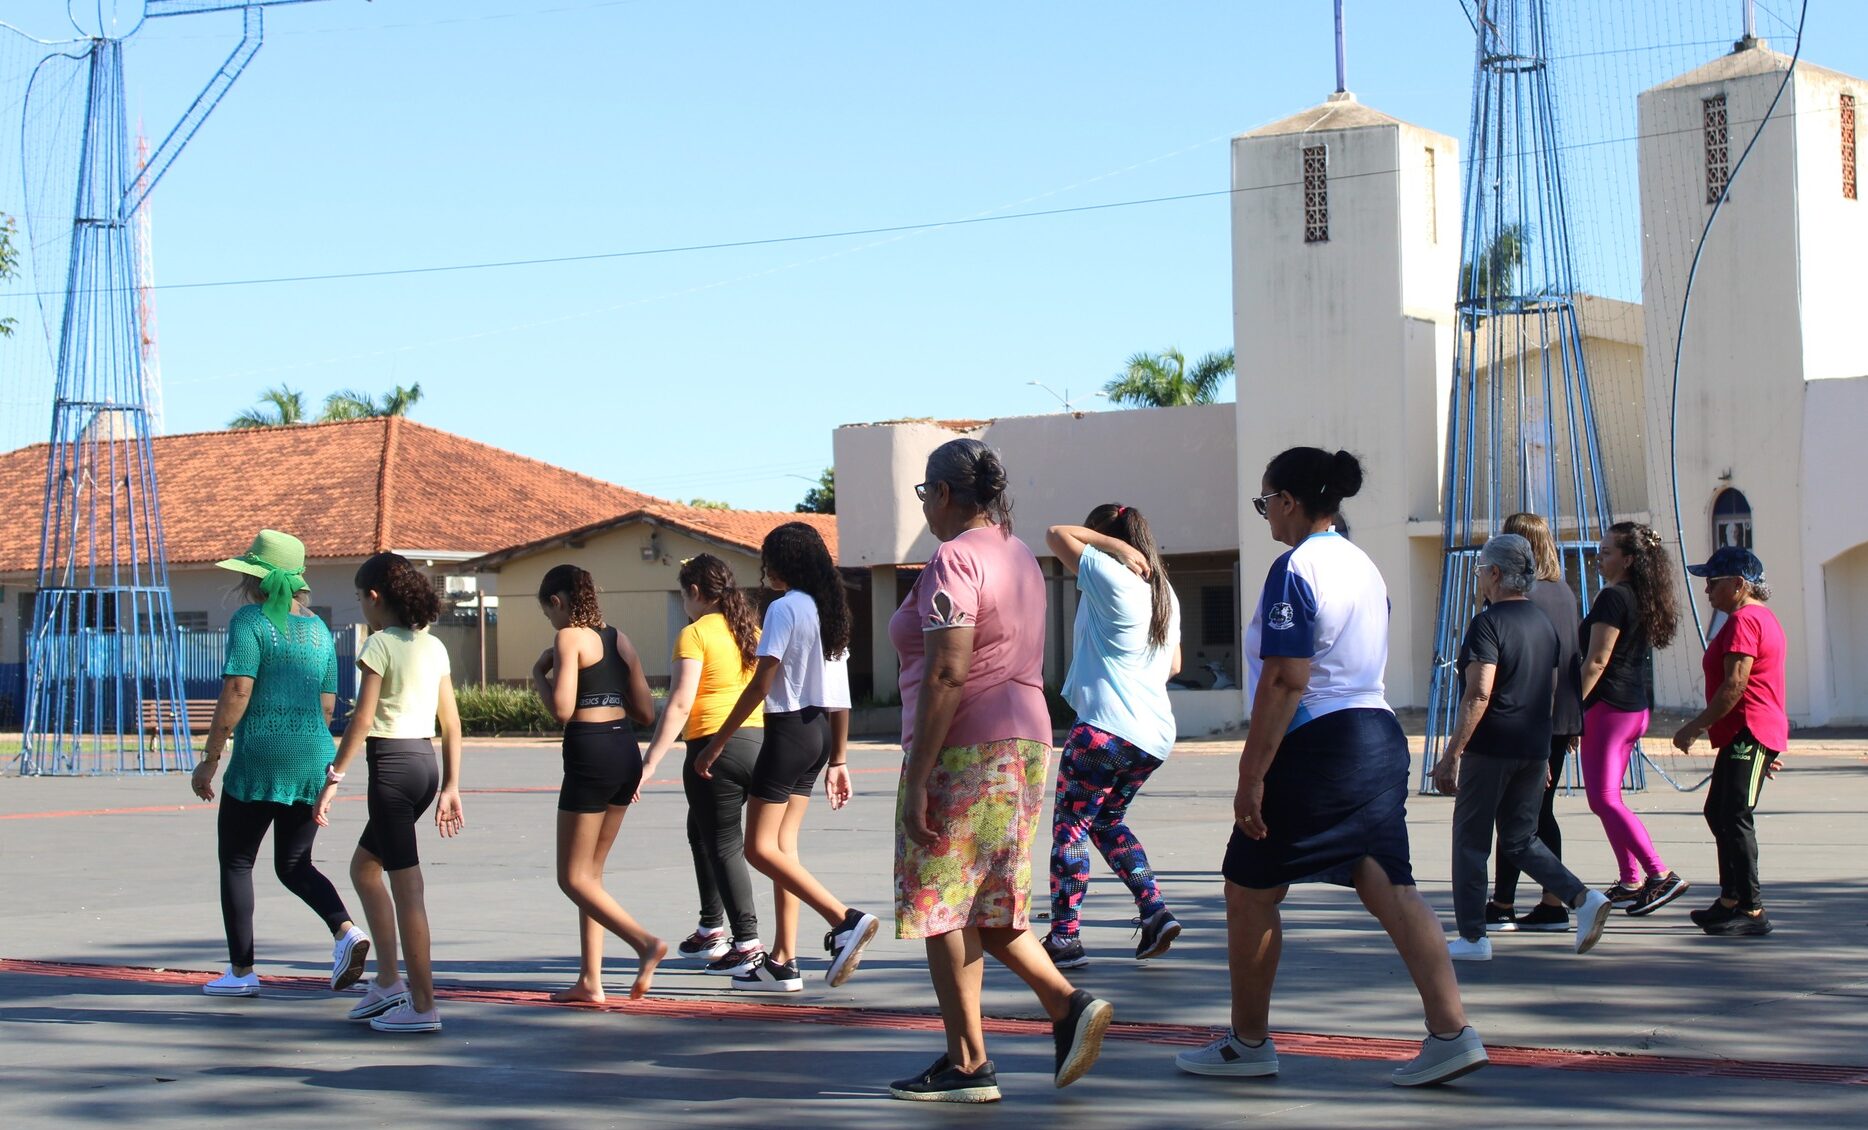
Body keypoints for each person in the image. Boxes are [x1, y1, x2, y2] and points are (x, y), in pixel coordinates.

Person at [1175, 447, 1486, 1088]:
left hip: (1322, 742)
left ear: (1289, 502)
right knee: (1388, 882)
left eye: (1266, 501)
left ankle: (1248, 1043)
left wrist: (1251, 776)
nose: (1265, 513)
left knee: (1249, 888)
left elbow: (1286, 679)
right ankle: (1452, 1032)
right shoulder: (1363, 565)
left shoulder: (1296, 567)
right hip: (1377, 734)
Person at [889, 439, 1112, 1104]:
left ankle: (970, 1062)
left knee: (941, 905)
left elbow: (947, 669)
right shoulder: (1017, 555)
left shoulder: (955, 558)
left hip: (964, 746)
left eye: (925, 493)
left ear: (944, 493)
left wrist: (918, 777)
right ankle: (1063, 1007)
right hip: (1023, 738)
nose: (924, 506)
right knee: (986, 903)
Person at [696, 522, 876, 993]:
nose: (765, 570)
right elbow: (840, 694)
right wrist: (839, 759)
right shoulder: (828, 610)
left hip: (788, 731)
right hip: (818, 733)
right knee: (783, 848)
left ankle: (844, 919)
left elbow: (762, 683)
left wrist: (717, 742)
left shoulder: (783, 608)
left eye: (768, 560)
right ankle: (782, 961)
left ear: (784, 563)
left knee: (758, 848)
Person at [191, 530, 367, 998]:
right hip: (313, 756)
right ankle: (346, 930)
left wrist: (210, 757)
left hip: (260, 756)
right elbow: (327, 704)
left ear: (255, 579)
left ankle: (242, 972)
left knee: (237, 861)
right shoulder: (320, 630)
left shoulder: (250, 621)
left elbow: (238, 690)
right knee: (293, 863)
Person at [1432, 534, 1613, 962]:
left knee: (1471, 842)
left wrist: (1452, 753)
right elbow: (1549, 689)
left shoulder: (1488, 623)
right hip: (1532, 745)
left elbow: (1479, 692)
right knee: (1519, 839)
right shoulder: (1542, 622)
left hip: (1492, 745)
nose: (1479, 577)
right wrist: (1542, 751)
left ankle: (1473, 937)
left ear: (1495, 573)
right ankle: (1582, 898)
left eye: (1481, 570)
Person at [315, 552, 464, 1033]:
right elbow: (451, 722)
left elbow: (362, 720)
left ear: (375, 597)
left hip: (393, 772)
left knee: (408, 891)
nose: (361, 605)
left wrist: (333, 780)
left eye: (360, 597)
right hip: (423, 766)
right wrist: (450, 785)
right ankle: (388, 981)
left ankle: (423, 1006)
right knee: (365, 869)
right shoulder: (432, 646)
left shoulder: (378, 644)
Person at [1041, 504, 1183, 969]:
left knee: (1071, 828)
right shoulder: (1163, 592)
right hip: (1151, 736)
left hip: (1104, 730)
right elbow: (1174, 664)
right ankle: (1155, 910)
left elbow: (1056, 533)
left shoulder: (1111, 573)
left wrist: (1109, 545)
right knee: (1104, 821)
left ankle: (1065, 938)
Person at [531, 564, 665, 1002]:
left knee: (572, 877)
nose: (551, 622)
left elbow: (563, 710)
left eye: (548, 612)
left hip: (590, 753)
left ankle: (645, 944)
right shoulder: (619, 639)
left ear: (557, 601)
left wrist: (539, 676)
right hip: (624, 750)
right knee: (592, 875)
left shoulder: (568, 637)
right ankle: (591, 980)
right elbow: (646, 712)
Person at [639, 554, 768, 976]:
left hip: (714, 748)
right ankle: (711, 927)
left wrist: (650, 760)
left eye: (683, 595)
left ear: (694, 592)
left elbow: (680, 702)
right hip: (756, 742)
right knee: (702, 830)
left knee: (724, 842)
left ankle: (746, 943)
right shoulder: (751, 631)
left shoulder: (694, 634)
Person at [1674, 546, 1787, 937]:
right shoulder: (1755, 618)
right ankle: (1730, 899)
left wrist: (1694, 727)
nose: (1707, 590)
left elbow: (1735, 685)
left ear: (1739, 584)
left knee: (1735, 814)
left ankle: (1752, 909)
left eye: (1713, 582)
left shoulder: (1744, 621)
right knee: (1718, 811)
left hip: (1750, 729)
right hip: (1746, 732)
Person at [1578, 521, 1688, 916]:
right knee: (1607, 799)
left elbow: (1597, 660)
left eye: (1607, 551)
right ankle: (1630, 880)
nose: (1599, 557)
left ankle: (1660, 874)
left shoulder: (1613, 597)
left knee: (1604, 799)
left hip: (1610, 710)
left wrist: (1570, 707)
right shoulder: (1639, 595)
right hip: (1633, 709)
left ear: (1628, 559)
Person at [1486, 512, 1585, 933]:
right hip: (1560, 714)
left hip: (1526, 715)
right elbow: (1573, 657)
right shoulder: (1564, 591)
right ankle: (1550, 901)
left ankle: (1504, 902)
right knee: (1540, 811)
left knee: (1514, 813)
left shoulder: (1521, 599)